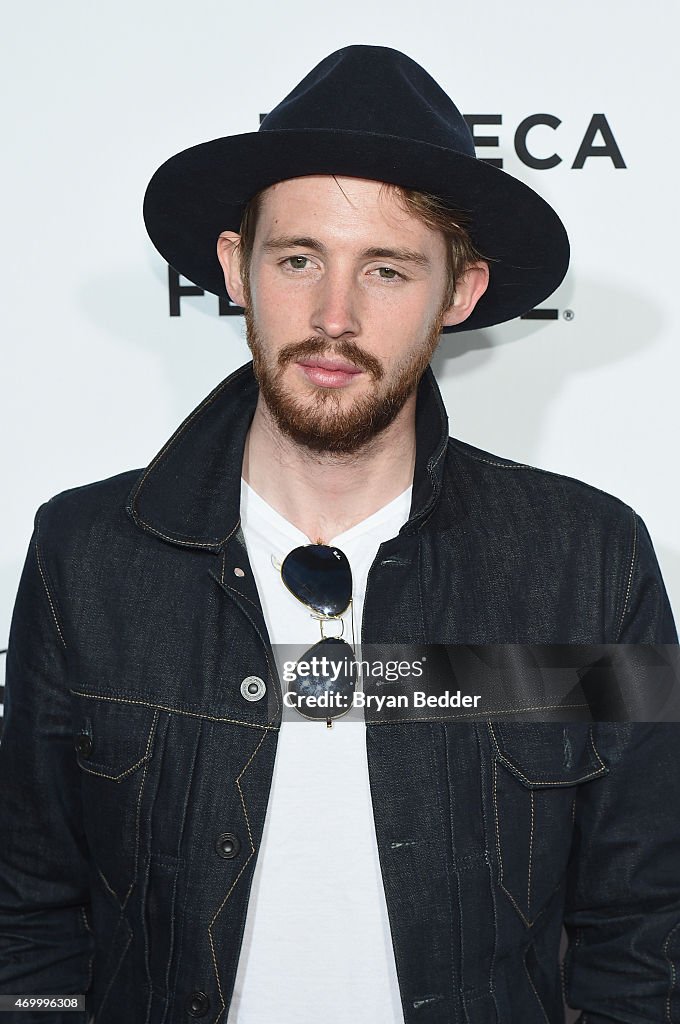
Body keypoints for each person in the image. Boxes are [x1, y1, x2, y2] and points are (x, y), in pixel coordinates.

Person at [0, 44, 678, 1024]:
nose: (332, 316)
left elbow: (644, 930)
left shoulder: (590, 560)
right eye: (298, 258)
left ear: (459, 293)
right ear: (236, 267)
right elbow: (28, 914)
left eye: (387, 269)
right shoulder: (85, 552)